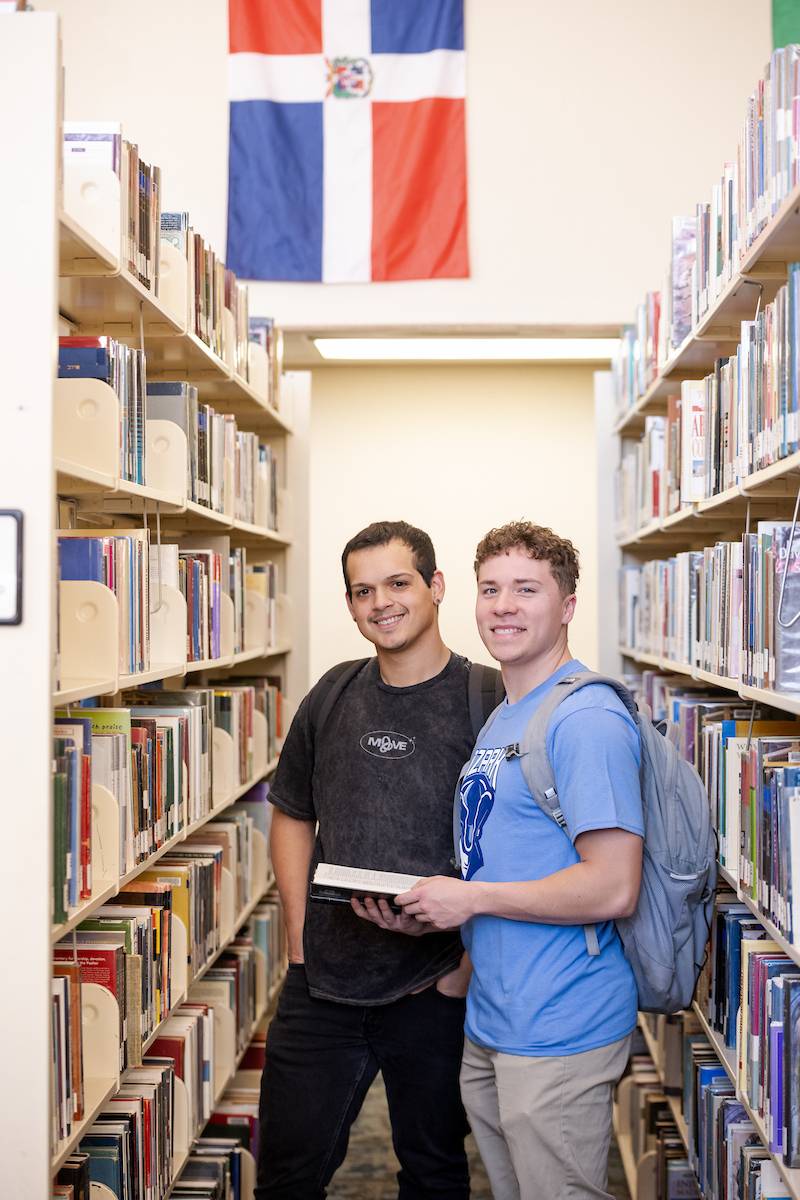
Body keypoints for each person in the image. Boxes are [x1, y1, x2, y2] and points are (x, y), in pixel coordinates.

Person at [395, 521, 644, 1200]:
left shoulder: (585, 720)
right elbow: (504, 858)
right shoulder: (505, 713)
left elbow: (613, 886)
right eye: (490, 589)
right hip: (495, 1019)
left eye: (527, 589)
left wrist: (470, 901)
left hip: (559, 1026)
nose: (503, 606)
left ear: (567, 606)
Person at [255, 519, 502, 1200]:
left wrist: (460, 974)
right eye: (363, 591)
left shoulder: (490, 701)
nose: (381, 603)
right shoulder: (332, 694)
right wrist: (300, 943)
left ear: (436, 586)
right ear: (349, 603)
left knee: (434, 1175)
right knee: (285, 1177)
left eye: (398, 583)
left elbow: (517, 849)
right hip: (323, 986)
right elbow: (292, 813)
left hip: (434, 986)